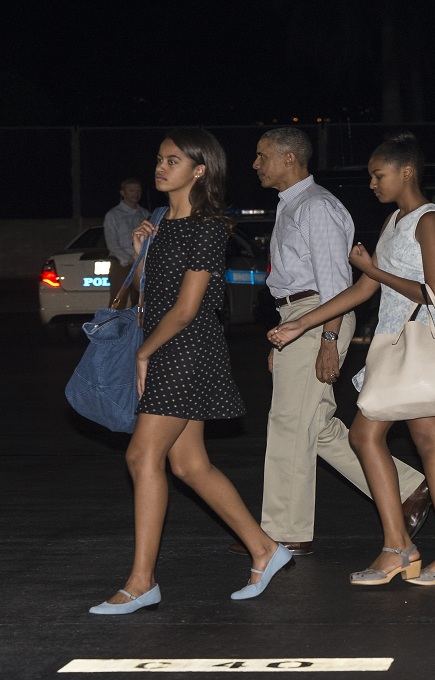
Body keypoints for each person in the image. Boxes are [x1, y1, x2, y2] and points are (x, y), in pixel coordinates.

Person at [89, 128, 292, 615]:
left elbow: (186, 309)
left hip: (187, 350)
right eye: (160, 159)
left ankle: (142, 582)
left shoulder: (208, 227)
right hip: (166, 346)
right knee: (189, 465)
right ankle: (265, 549)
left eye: (173, 160)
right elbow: (147, 297)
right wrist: (141, 251)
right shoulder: (159, 222)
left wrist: (143, 354)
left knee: (142, 456)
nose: (160, 168)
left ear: (199, 170)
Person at [269, 131, 435, 587]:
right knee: (427, 442)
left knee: (371, 436)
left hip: (416, 340)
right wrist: (302, 324)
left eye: (379, 175)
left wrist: (373, 269)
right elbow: (363, 289)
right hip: (392, 339)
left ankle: (404, 548)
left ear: (407, 171)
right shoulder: (394, 220)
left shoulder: (429, 219)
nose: (372, 184)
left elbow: (433, 291)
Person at [227, 127, 431, 559]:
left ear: (289, 158)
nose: (255, 164)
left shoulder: (315, 206)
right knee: (315, 424)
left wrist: (327, 339)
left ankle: (283, 533)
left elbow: (336, 284)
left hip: (318, 315)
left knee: (289, 423)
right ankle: (408, 488)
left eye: (262, 155)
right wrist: (285, 332)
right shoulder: (293, 205)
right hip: (298, 317)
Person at [103, 177, 150, 306]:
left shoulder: (145, 214)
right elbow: (112, 244)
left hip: (141, 263)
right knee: (118, 301)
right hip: (121, 264)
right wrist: (129, 260)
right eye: (131, 190)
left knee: (139, 301)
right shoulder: (113, 215)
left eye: (138, 191)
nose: (136, 194)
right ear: (123, 193)